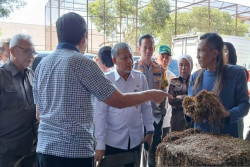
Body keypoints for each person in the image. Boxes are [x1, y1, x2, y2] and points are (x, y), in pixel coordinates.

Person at [33, 12, 171, 167]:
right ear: (84, 37)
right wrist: (152, 94)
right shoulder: (83, 63)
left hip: (44, 150)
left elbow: (39, 114)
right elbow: (119, 101)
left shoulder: (42, 65)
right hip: (74, 152)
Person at [94, 42, 154, 167]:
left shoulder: (140, 78)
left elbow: (146, 106)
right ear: (115, 60)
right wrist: (100, 145)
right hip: (113, 142)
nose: (130, 61)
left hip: (135, 140)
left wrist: (150, 131)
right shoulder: (106, 80)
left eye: (131, 57)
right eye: (125, 58)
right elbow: (100, 115)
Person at [187, 32, 249, 138]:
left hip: (227, 141)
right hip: (200, 141)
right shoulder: (195, 77)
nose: (197, 56)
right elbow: (189, 105)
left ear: (214, 53)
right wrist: (189, 112)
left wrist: (227, 115)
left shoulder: (237, 74)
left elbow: (244, 105)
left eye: (201, 51)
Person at [0, 34, 37, 167]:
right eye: (27, 51)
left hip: (32, 153)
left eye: (33, 52)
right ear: (13, 51)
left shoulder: (31, 75)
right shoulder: (2, 77)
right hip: (8, 155)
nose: (31, 56)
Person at [134, 34, 167, 167]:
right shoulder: (133, 68)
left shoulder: (159, 69)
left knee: (153, 154)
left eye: (150, 48)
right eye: (144, 47)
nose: (148, 51)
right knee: (136, 152)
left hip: (155, 118)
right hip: (136, 118)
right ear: (139, 48)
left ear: (154, 49)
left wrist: (162, 111)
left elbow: (164, 90)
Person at [223, 42, 248, 139]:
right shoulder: (215, 73)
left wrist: (229, 114)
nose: (222, 54)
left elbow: (243, 103)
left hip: (234, 119)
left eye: (225, 51)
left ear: (231, 53)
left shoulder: (239, 72)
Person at [155, 44, 176, 137]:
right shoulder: (151, 76)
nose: (164, 59)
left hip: (166, 122)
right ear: (156, 59)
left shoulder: (173, 78)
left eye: (167, 57)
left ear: (170, 60)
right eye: (162, 57)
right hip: (152, 121)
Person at [168, 54, 193, 132]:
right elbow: (171, 100)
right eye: (181, 65)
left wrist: (180, 97)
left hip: (190, 118)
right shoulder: (174, 81)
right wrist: (187, 98)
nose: (183, 68)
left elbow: (195, 100)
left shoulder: (195, 81)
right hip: (176, 118)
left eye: (186, 65)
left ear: (191, 66)